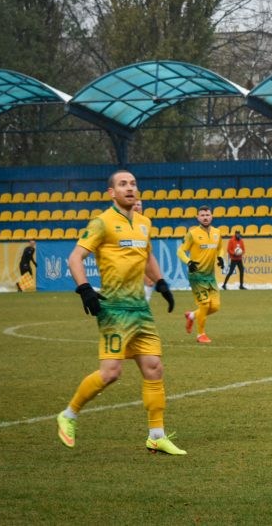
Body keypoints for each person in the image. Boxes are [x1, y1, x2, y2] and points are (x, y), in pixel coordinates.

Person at [56, 170, 185, 455]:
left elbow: (147, 255)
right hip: (114, 309)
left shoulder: (143, 223)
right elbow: (75, 257)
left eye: (133, 183)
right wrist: (85, 290)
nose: (130, 188)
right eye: (123, 184)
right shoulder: (102, 222)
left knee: (154, 367)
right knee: (111, 373)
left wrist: (161, 283)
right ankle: (69, 414)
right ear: (111, 193)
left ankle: (156, 435)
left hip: (140, 309)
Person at [178, 205, 224, 344]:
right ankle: (201, 335)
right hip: (196, 275)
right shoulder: (192, 234)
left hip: (210, 276)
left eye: (207, 215)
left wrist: (220, 257)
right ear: (198, 217)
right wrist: (188, 262)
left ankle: (192, 316)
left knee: (215, 306)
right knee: (204, 305)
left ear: (212, 216)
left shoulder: (217, 232)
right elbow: (180, 251)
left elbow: (220, 248)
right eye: (202, 215)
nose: (205, 217)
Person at [133, 201, 155, 302]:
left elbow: (147, 240)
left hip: (143, 256)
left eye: (139, 205)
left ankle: (143, 305)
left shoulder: (146, 222)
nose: (136, 206)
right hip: (129, 258)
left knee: (150, 282)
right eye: (134, 204)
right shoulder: (125, 221)